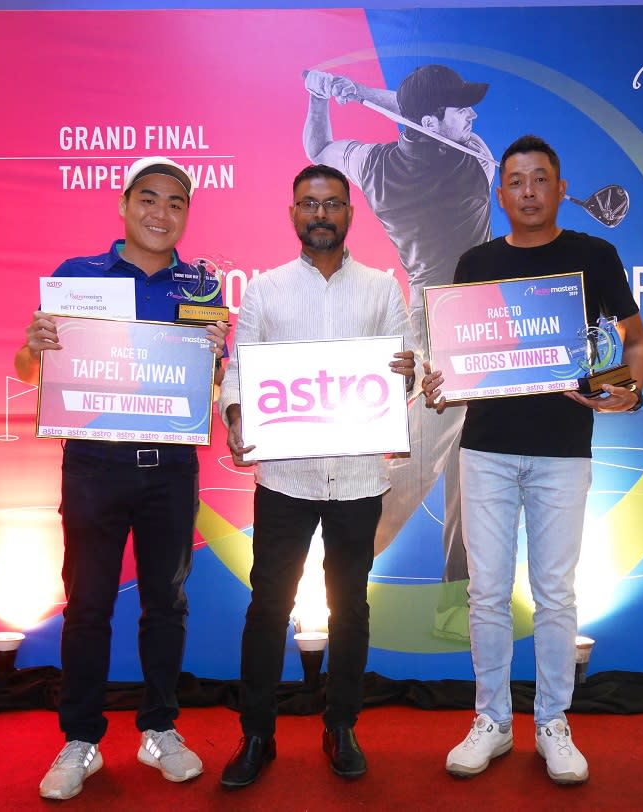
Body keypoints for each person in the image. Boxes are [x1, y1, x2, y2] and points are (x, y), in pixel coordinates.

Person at [423, 135, 643, 785]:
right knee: (488, 594)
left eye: (540, 179)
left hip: (563, 452)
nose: (527, 190)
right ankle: (491, 721)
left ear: (559, 187)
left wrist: (628, 393)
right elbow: (454, 361)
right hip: (487, 450)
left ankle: (553, 722)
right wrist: (441, 384)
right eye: (516, 181)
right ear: (501, 194)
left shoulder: (593, 254)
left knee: (554, 594)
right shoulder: (475, 262)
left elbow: (633, 341)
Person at [14, 157, 229, 800]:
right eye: (149, 199)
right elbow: (32, 373)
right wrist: (35, 344)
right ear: (124, 204)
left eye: (176, 203)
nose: (161, 213)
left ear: (187, 214)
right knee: (88, 606)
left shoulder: (202, 289)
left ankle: (159, 727)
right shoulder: (77, 280)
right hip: (93, 467)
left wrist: (216, 359)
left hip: (170, 468)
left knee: (167, 603)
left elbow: (209, 388)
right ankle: (81, 738)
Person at [218, 164, 416, 788]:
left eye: (332, 203)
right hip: (285, 479)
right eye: (309, 203)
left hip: (359, 479)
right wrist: (234, 413)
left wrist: (407, 373)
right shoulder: (267, 291)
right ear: (293, 214)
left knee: (350, 606)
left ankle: (341, 725)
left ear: (350, 213)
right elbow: (239, 372)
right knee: (267, 606)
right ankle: (256, 734)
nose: (321, 214)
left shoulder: (384, 290)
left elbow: (404, 373)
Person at [303, 64, 495, 641]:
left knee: (469, 459)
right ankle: (346, 566)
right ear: (434, 120)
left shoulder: (376, 165)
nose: (473, 117)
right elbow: (418, 111)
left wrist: (325, 97)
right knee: (421, 457)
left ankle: (456, 601)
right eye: (461, 109)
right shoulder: (476, 162)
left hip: (429, 311)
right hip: (469, 318)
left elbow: (318, 146)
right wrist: (363, 93)